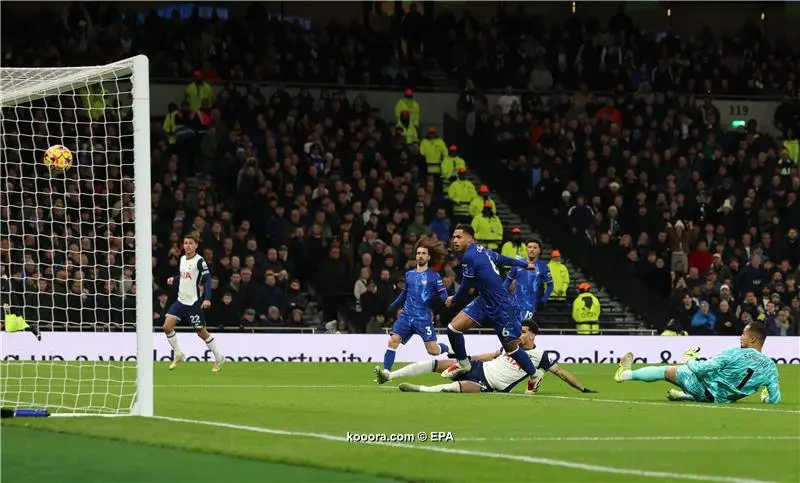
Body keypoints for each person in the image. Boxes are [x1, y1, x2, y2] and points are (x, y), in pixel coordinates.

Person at [381, 320, 596, 394]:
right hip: (479, 368)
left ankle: (419, 389)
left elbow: (561, 373)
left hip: (490, 384)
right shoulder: (510, 344)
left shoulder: (540, 356)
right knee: (437, 363)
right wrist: (466, 358)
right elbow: (491, 355)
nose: (519, 334)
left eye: (523, 331)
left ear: (532, 334)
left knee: (452, 388)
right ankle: (390, 376)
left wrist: (582, 388)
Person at [443, 224, 539, 379]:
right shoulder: (483, 251)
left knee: (511, 349)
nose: (455, 240)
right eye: (454, 237)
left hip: (500, 306)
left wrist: (454, 299)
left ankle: (535, 375)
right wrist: (524, 264)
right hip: (484, 301)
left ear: (470, 239)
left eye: (459, 237)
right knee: (453, 329)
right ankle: (463, 363)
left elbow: (467, 284)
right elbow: (501, 258)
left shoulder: (469, 256)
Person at [614, 322, 782, 404]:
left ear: (752, 338)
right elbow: (776, 400)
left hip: (704, 389)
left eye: (744, 333)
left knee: (666, 371)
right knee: (702, 385)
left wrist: (689, 359)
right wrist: (765, 399)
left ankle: (624, 374)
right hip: (723, 400)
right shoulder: (770, 367)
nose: (741, 336)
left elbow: (702, 370)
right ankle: (682, 395)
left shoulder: (735, 353)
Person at [376, 236, 450, 376]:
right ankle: (385, 373)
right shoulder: (409, 274)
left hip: (423, 318)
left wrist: (447, 301)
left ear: (428, 257)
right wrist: (392, 306)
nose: (420, 256)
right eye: (418, 253)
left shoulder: (434, 276)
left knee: (433, 350)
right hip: (406, 315)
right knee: (393, 340)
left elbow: (443, 295)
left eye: (423, 254)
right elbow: (405, 294)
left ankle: (448, 348)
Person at [164, 232, 225, 373]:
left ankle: (218, 357)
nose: (188, 246)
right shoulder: (183, 259)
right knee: (167, 327)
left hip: (193, 303)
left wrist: (207, 298)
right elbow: (184, 276)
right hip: (181, 301)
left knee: (201, 332)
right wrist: (174, 279)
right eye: (186, 243)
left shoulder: (200, 261)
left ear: (196, 245)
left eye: (191, 243)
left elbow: (208, 279)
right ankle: (178, 354)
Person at [505, 238, 553, 322]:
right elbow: (507, 281)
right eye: (530, 247)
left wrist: (543, 300)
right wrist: (502, 295)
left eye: (535, 248)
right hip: (514, 305)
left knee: (524, 329)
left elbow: (550, 285)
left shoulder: (543, 267)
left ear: (539, 251)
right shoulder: (517, 264)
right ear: (526, 249)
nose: (532, 250)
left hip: (530, 306)